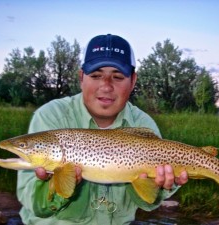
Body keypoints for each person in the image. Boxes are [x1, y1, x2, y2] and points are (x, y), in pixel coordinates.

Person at [17, 34, 188, 225]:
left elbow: (147, 202)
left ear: (132, 81)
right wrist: (56, 185)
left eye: (117, 76)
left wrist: (161, 187)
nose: (106, 86)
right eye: (96, 75)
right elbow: (34, 204)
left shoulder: (143, 124)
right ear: (81, 77)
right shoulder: (51, 116)